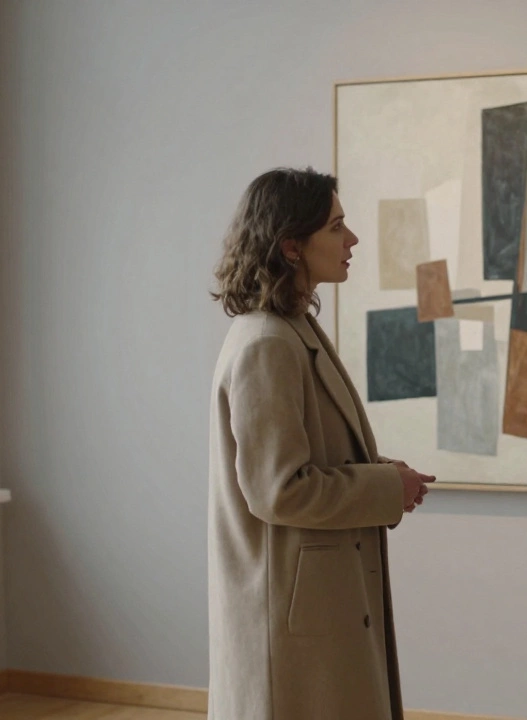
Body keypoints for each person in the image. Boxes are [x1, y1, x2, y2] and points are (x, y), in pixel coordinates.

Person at [206, 167, 434, 720]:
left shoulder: (292, 329)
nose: (351, 240)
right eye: (336, 227)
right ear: (291, 246)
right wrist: (385, 486)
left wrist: (380, 470)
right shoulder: (268, 343)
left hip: (315, 603)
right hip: (290, 618)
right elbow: (278, 491)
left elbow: (309, 456)